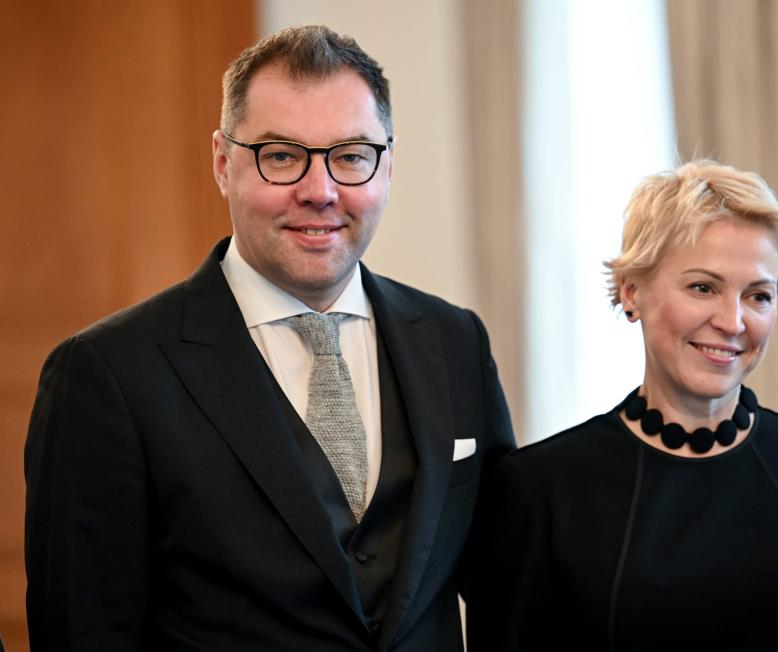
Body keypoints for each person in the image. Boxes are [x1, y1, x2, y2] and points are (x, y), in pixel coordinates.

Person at [25, 25, 514, 651]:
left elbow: (508, 587)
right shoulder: (106, 373)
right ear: (223, 165)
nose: (320, 190)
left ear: (387, 166)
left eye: (350, 155)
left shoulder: (456, 343)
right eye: (281, 155)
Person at [467, 160, 778, 650]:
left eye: (758, 296)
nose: (733, 321)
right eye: (704, 287)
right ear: (632, 291)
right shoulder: (538, 490)